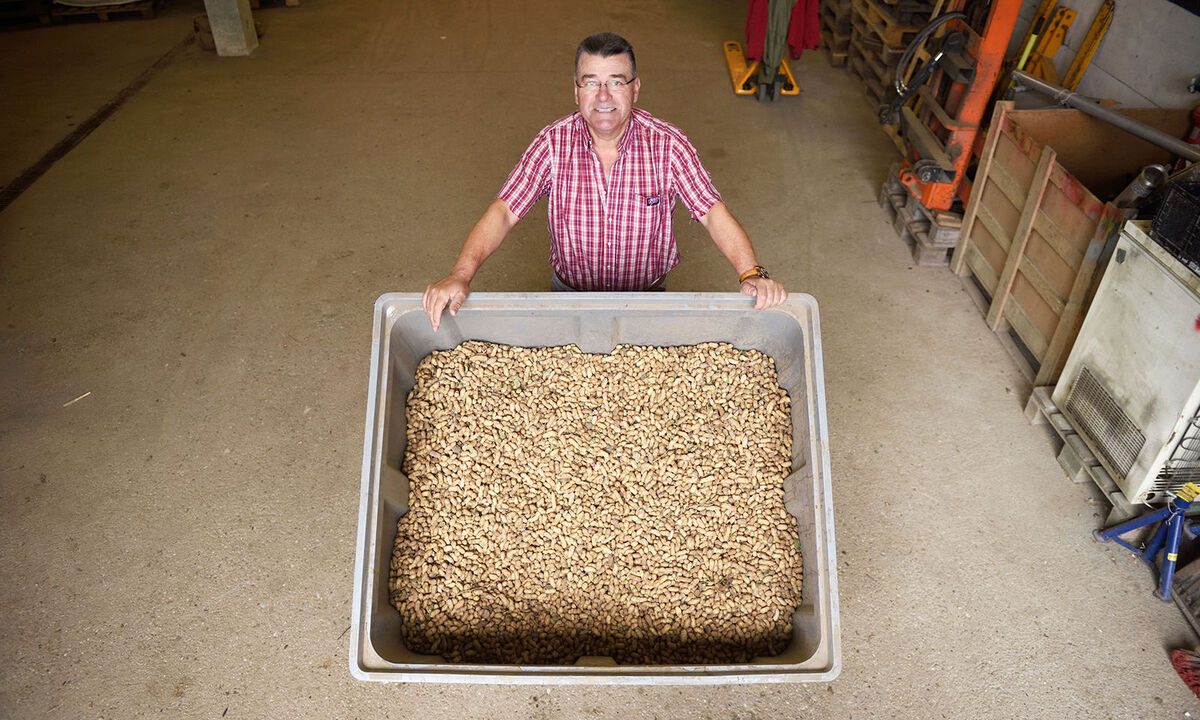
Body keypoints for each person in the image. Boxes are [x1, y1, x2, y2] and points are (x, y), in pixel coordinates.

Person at [422, 32, 787, 330]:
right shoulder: (552, 144)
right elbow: (504, 212)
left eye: (616, 82)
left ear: (635, 88)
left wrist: (751, 273)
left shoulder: (669, 145)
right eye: (591, 83)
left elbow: (712, 213)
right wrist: (460, 275)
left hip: (648, 299)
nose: (603, 97)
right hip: (569, 297)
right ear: (576, 91)